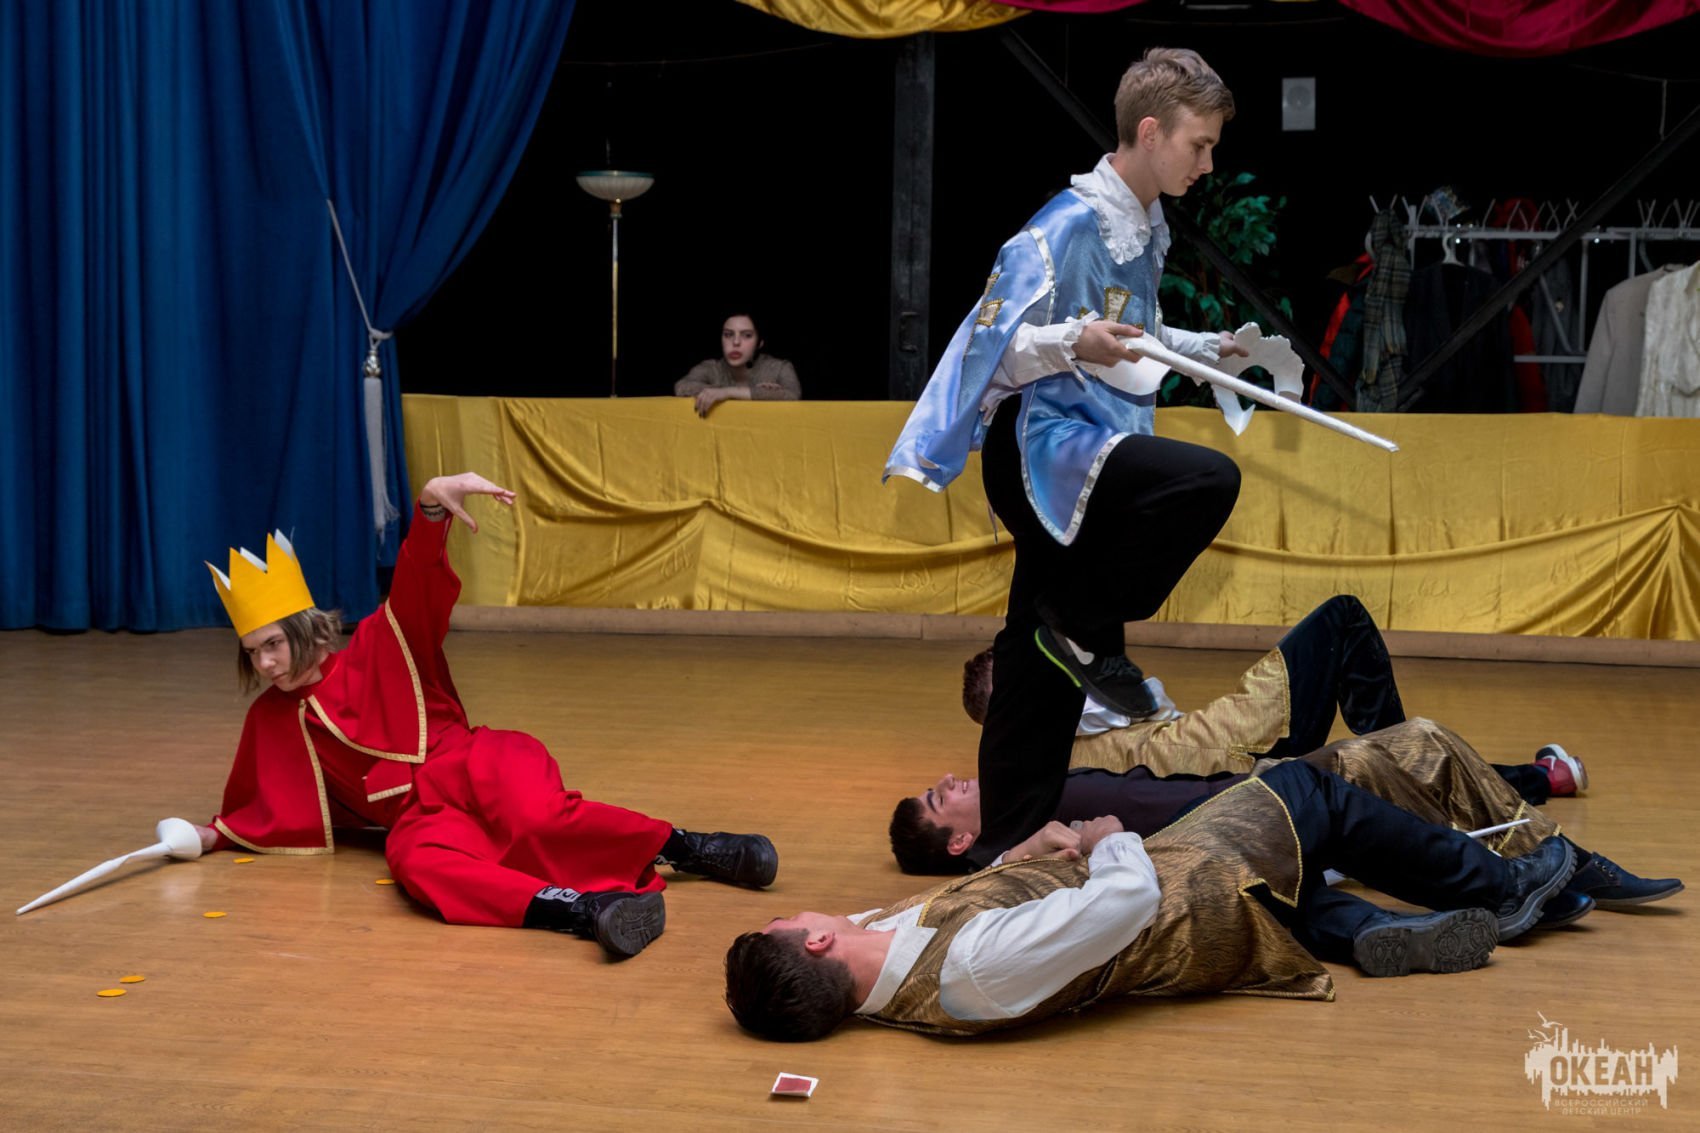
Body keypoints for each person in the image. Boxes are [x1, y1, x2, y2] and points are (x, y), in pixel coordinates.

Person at [884, 47, 1250, 865]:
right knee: (1205, 480)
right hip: (1040, 448)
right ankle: (1083, 624)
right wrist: (1070, 342)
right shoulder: (1065, 225)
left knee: (1030, 660)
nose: (1207, 163)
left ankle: (1005, 843)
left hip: (1087, 446)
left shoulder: (1142, 225)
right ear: (1150, 132)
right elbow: (987, 346)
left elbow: (1134, 335)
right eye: (1199, 145)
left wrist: (1209, 348)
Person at [196, 471, 778, 959]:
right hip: (418, 815)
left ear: (306, 630)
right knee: (417, 865)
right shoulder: (271, 718)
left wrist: (430, 510)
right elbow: (260, 801)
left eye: (273, 644)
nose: (265, 664)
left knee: (538, 821)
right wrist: (210, 836)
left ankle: (688, 846)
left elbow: (414, 590)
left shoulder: (378, 646)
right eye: (252, 653)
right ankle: (584, 911)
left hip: (474, 763)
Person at [726, 760, 1580, 1041]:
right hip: (1173, 899)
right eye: (791, 921)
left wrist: (1020, 855)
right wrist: (1107, 839)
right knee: (1306, 794)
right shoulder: (968, 975)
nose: (805, 912)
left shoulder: (876, 949)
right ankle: (1503, 888)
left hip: (1174, 901)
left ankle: (1365, 929)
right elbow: (1126, 902)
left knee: (1288, 888)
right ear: (816, 945)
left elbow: (950, 903)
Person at [889, 717, 1682, 918]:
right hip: (1253, 810)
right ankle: (1561, 865)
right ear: (960, 840)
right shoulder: (1016, 846)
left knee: (1422, 746)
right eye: (938, 796)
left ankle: (1547, 863)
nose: (951, 778)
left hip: (1256, 784)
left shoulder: (1023, 793)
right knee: (1417, 746)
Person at [674, 312, 800, 417]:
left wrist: (727, 392)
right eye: (728, 335)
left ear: (760, 342)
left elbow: (793, 394)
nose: (735, 342)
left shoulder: (779, 368)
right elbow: (682, 386)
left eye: (747, 335)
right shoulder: (711, 368)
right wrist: (762, 393)